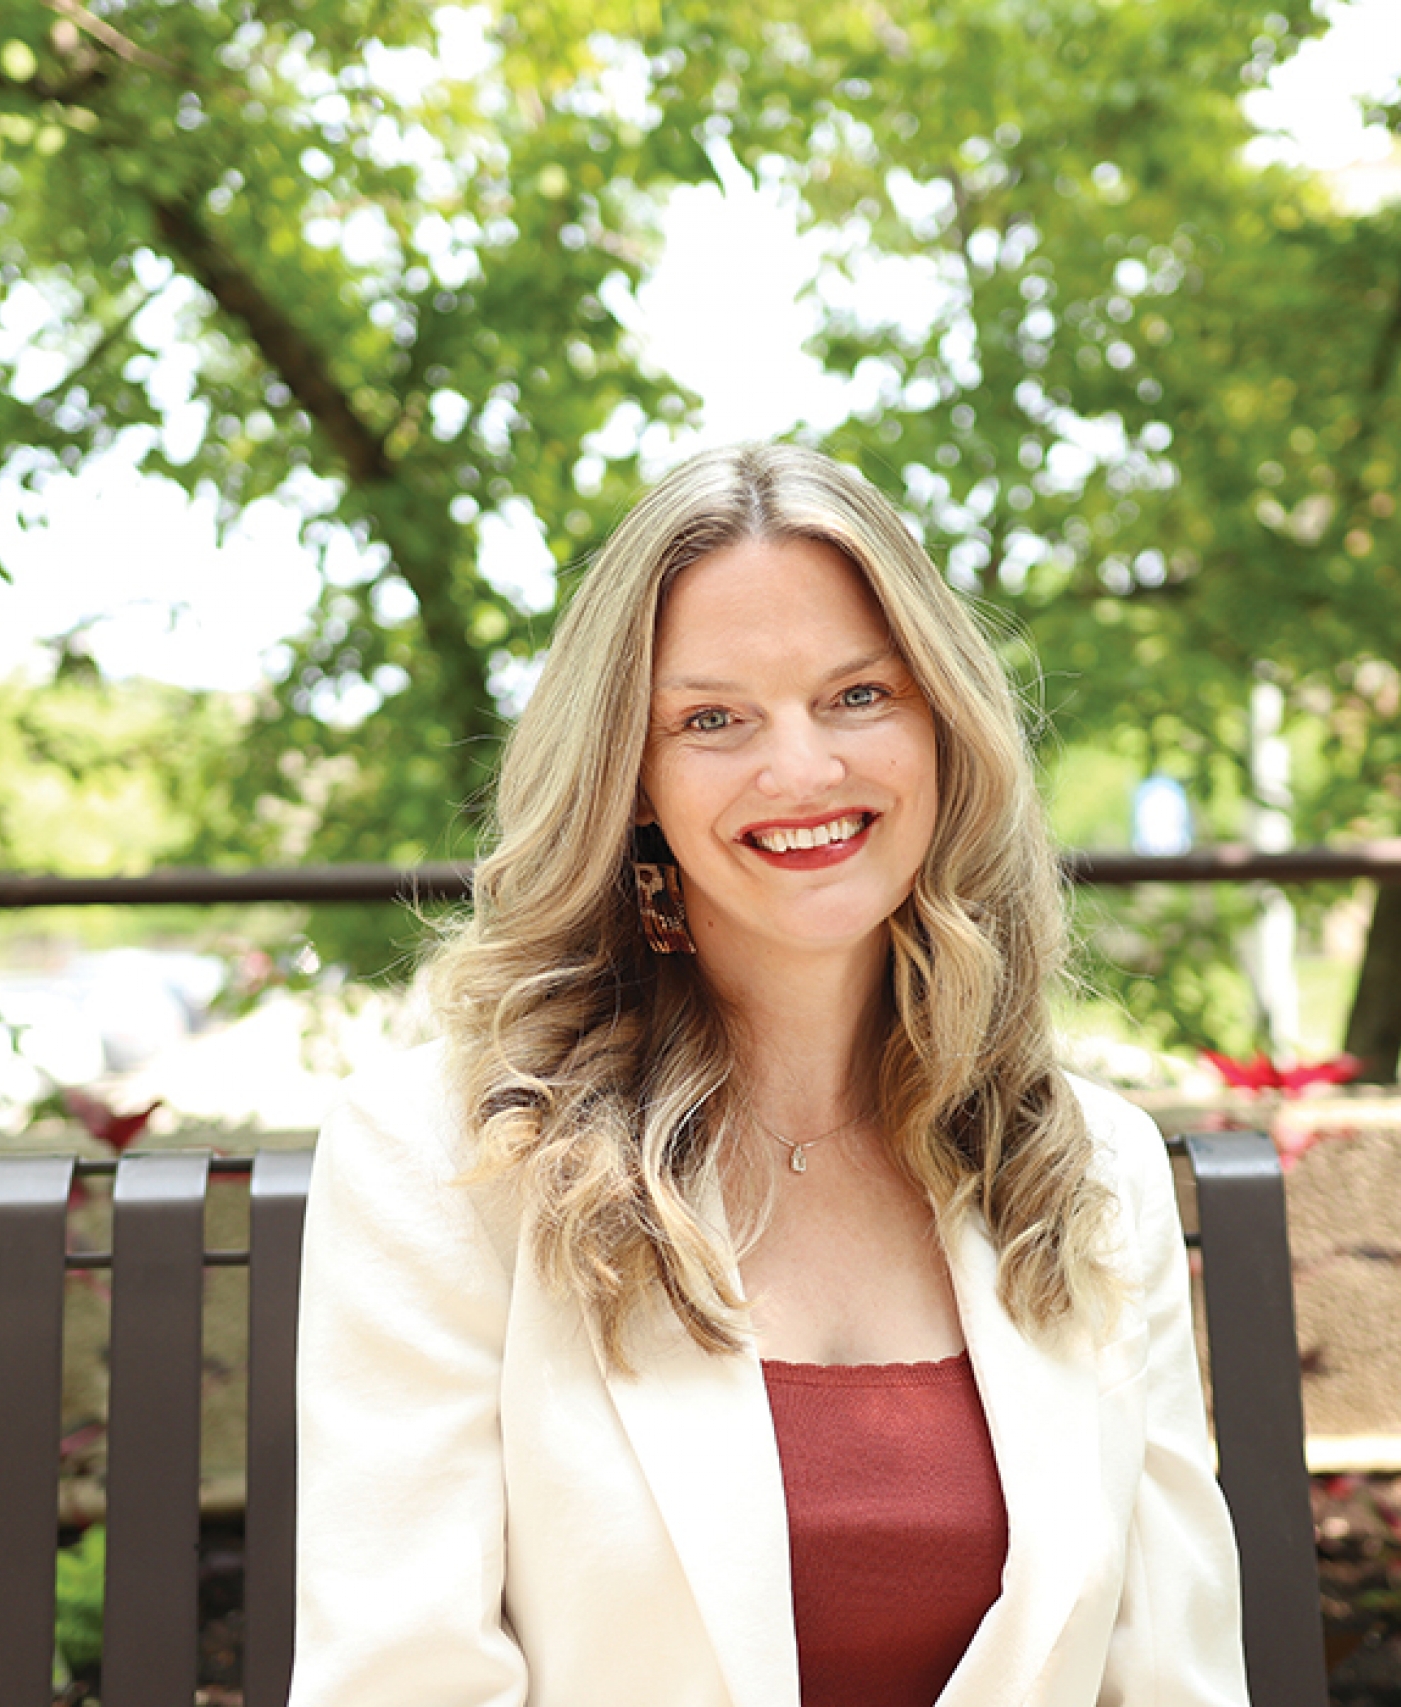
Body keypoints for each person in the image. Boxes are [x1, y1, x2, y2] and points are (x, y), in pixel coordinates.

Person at [292, 443, 1248, 1707]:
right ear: (632, 779)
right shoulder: (446, 1160)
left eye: (858, 696)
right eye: (711, 720)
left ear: (944, 727)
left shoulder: (1090, 1167)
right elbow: (395, 1687)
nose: (800, 771)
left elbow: (1171, 1680)